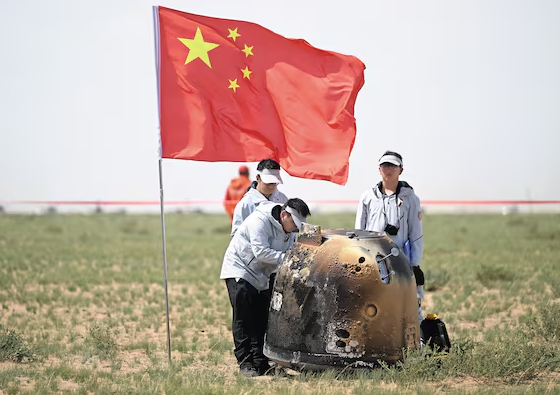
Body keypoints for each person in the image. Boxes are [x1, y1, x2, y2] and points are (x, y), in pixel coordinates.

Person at [220, 198, 311, 376]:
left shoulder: (290, 230)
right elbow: (261, 252)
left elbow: (288, 251)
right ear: (284, 215)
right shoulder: (258, 221)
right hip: (241, 270)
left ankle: (262, 363)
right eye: (294, 223)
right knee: (244, 318)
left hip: (263, 274)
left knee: (262, 318)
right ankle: (246, 363)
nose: (295, 228)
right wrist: (288, 257)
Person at [355, 150, 425, 322]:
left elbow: (416, 233)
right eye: (385, 165)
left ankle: (419, 341)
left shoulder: (410, 198)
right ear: (379, 169)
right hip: (373, 259)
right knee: (372, 301)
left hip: (400, 258)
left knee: (409, 302)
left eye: (393, 165)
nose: (389, 169)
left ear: (400, 169)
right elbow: (359, 231)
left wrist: (414, 264)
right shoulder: (367, 197)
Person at [231, 159, 288, 237]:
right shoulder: (245, 204)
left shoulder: (283, 199)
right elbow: (237, 234)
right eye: (268, 183)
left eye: (275, 183)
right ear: (258, 178)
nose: (272, 186)